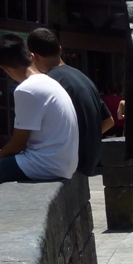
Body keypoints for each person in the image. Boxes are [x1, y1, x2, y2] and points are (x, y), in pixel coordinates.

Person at [26, 27, 113, 177]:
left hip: (69, 162)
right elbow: (108, 121)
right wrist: (87, 139)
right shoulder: (82, 77)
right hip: (89, 161)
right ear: (60, 49)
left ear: (33, 57)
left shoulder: (49, 82)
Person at [0, 33, 78, 184]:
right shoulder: (51, 82)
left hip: (44, 165)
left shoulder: (26, 89)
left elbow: (18, 144)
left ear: (5, 69)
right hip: (64, 165)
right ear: (30, 56)